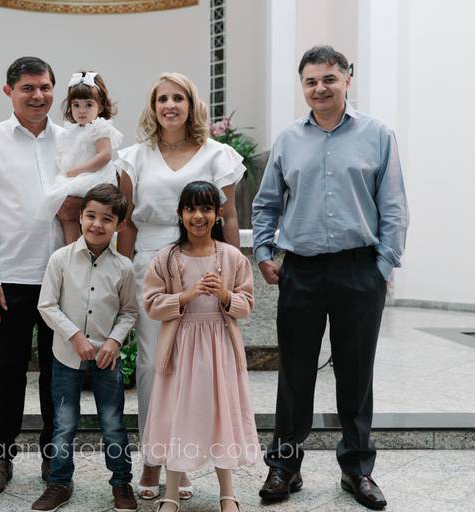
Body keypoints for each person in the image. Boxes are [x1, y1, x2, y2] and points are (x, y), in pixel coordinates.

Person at [252, 45, 409, 511]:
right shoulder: (288, 140)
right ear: (303, 86)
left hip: (359, 269)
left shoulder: (377, 135)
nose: (319, 88)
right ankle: (285, 466)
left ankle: (357, 469)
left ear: (347, 79)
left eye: (329, 79)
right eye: (311, 81)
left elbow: (394, 206)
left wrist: (382, 266)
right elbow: (266, 203)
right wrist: (264, 253)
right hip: (300, 269)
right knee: (294, 373)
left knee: (356, 373)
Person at [116, 72, 245, 500]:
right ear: (153, 107)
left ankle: (184, 457)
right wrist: (122, 274)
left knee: (198, 370)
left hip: (204, 266)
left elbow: (228, 217)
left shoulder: (218, 155)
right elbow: (126, 221)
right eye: (162, 99)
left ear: (191, 105)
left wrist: (229, 273)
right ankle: (154, 459)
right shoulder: (134, 157)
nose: (169, 106)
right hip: (153, 264)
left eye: (178, 98)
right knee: (155, 364)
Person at [0, 56, 67, 498]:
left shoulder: (70, 140)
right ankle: (0, 456)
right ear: (9, 92)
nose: (38, 95)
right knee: (9, 372)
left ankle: (53, 454)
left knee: (56, 373)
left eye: (45, 87)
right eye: (28, 88)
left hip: (62, 276)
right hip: (9, 276)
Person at [141, 181, 258, 512]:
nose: (198, 216)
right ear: (179, 213)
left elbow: (246, 305)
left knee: (222, 415)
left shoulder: (232, 257)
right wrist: (185, 296)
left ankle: (228, 493)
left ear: (218, 213)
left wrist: (224, 295)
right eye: (190, 208)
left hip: (220, 349)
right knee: (177, 416)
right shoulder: (167, 258)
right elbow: (151, 304)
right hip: (180, 349)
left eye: (206, 208)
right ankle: (171, 494)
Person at [33, 184, 138, 512]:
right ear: (80, 217)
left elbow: (129, 311)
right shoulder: (60, 259)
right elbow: (47, 305)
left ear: (119, 225)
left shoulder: (124, 267)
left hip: (106, 359)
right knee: (64, 423)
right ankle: (59, 482)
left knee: (113, 423)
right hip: (67, 356)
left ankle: (121, 482)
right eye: (91, 216)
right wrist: (74, 336)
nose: (97, 224)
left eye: (107, 219)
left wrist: (114, 340)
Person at [37, 71, 123, 244]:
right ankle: (71, 249)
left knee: (76, 209)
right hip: (77, 175)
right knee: (65, 214)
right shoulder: (72, 131)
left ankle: (86, 247)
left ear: (100, 106)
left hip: (94, 176)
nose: (81, 110)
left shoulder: (98, 127)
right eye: (76, 105)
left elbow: (105, 156)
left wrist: (78, 170)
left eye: (88, 105)